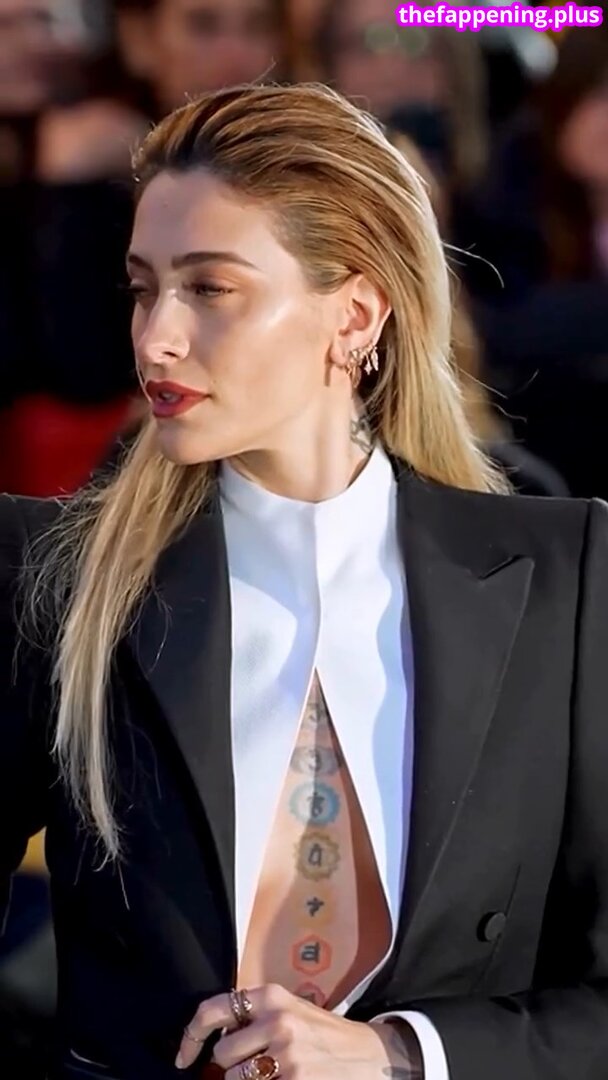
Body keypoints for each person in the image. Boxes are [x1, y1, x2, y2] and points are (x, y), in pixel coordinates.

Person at [1, 82, 607, 1080]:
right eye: (143, 288)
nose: (155, 336)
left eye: (210, 288)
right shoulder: (54, 575)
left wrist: (399, 1052)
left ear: (355, 316)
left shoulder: (561, 577)